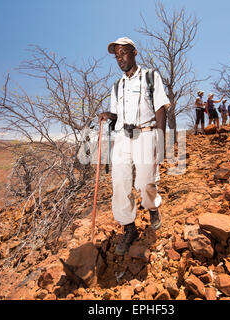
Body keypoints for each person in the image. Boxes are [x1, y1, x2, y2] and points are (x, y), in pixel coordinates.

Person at [99, 37, 170, 255]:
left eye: (124, 53)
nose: (120, 59)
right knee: (119, 183)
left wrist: (160, 138)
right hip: (122, 137)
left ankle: (152, 207)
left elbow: (160, 108)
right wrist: (108, 115)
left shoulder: (150, 76)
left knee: (145, 181)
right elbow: (117, 116)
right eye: (117, 56)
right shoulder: (117, 86)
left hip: (146, 133)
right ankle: (129, 228)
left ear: (134, 52)